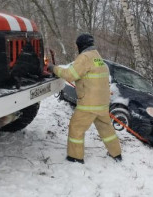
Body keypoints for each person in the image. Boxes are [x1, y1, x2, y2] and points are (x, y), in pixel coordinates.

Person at [48, 33, 122, 164]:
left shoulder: (84, 58)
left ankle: (75, 157)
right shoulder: (99, 59)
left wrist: (54, 68)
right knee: (106, 129)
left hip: (89, 104)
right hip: (102, 103)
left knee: (76, 128)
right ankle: (116, 153)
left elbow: (70, 75)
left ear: (80, 45)